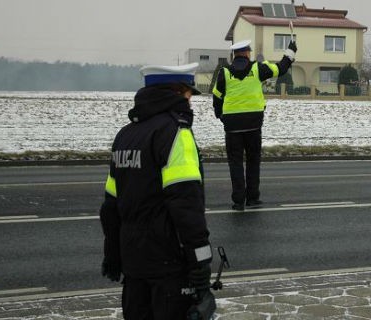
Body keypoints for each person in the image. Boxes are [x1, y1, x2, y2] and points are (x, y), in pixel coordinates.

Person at [99, 63, 216, 319]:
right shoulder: (176, 132)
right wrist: (200, 261)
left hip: (133, 262)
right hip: (168, 264)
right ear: (176, 92)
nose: (191, 102)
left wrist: (113, 253)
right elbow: (186, 204)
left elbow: (110, 206)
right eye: (188, 95)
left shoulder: (125, 136)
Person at [213, 39, 297, 211]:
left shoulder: (225, 72)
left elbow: (216, 96)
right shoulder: (257, 68)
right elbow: (280, 69)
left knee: (235, 163)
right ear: (247, 53)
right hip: (253, 124)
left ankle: (238, 201)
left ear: (235, 55)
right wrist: (290, 52)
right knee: (253, 161)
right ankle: (252, 198)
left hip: (232, 126)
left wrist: (220, 115)